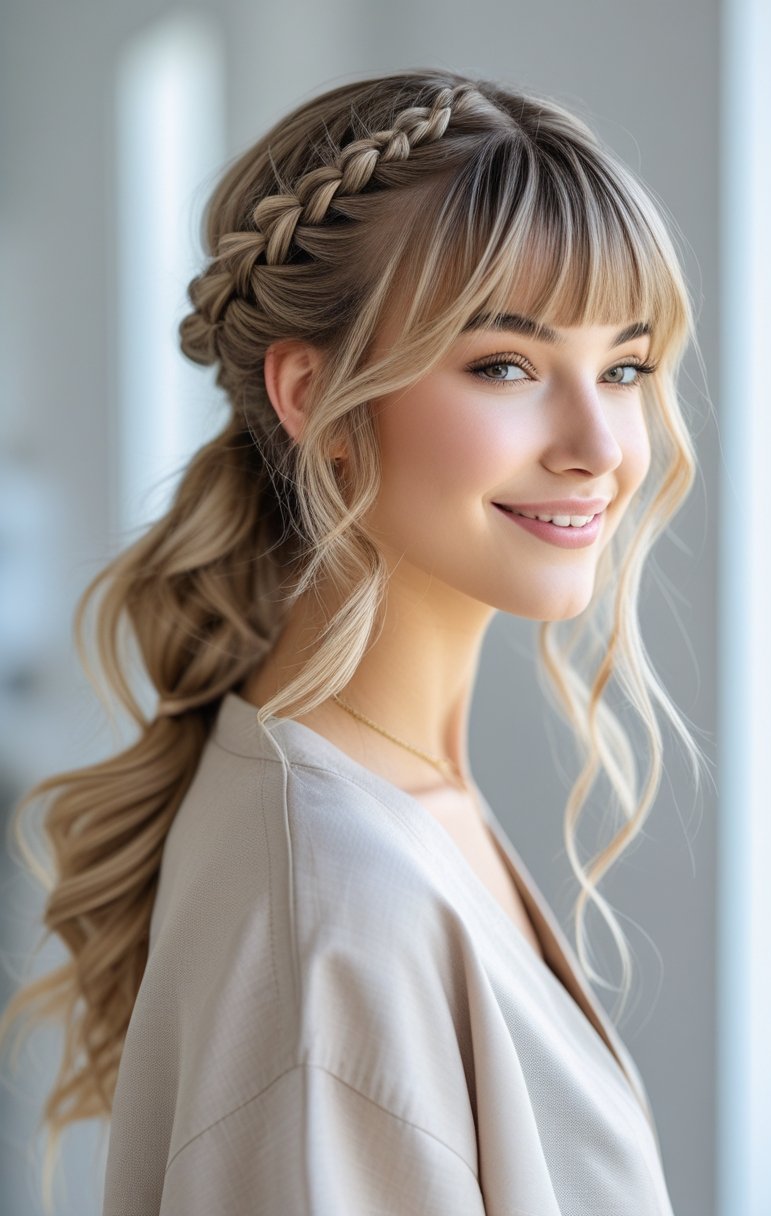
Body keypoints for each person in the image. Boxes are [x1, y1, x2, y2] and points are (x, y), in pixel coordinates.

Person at [0, 67, 709, 1214]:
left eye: (623, 367)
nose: (600, 446)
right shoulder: (335, 915)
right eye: (506, 366)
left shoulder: (384, 808)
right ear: (312, 395)